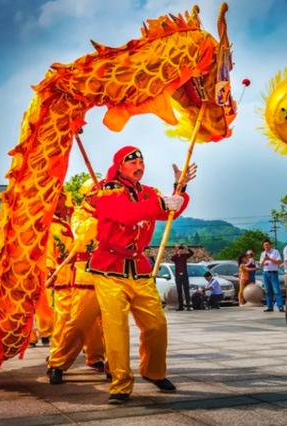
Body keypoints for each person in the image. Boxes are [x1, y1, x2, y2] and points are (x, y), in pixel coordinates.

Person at [86, 146, 194, 404]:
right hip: (109, 268)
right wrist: (161, 202)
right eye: (132, 162)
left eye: (142, 162)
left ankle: (153, 371)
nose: (139, 166)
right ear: (120, 166)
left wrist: (180, 190)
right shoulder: (106, 189)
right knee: (116, 328)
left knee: (156, 324)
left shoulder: (148, 193)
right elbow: (126, 213)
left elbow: (169, 212)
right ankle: (121, 382)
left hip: (139, 267)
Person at [47, 182, 106, 385]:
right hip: (83, 274)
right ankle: (57, 363)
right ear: (88, 196)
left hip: (110, 273)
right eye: (98, 193)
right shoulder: (80, 215)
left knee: (108, 324)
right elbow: (83, 235)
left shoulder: (111, 210)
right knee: (76, 321)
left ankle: (105, 361)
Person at [259, 238, 284, 312]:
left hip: (273, 272)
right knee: (268, 290)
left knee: (276, 290)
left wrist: (269, 259)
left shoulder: (275, 252)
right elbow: (261, 265)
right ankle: (270, 306)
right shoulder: (262, 254)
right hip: (265, 273)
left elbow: (279, 262)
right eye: (265, 245)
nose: (266, 246)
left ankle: (280, 306)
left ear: (270, 245)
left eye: (267, 245)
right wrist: (264, 260)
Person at [170, 244, 194, 311]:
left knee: (186, 290)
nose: (180, 251)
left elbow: (192, 253)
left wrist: (187, 248)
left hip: (185, 275)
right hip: (178, 276)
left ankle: (188, 306)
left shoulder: (185, 256)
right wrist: (177, 253)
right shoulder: (175, 257)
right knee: (179, 291)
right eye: (179, 250)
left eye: (181, 250)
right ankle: (181, 306)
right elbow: (171, 258)